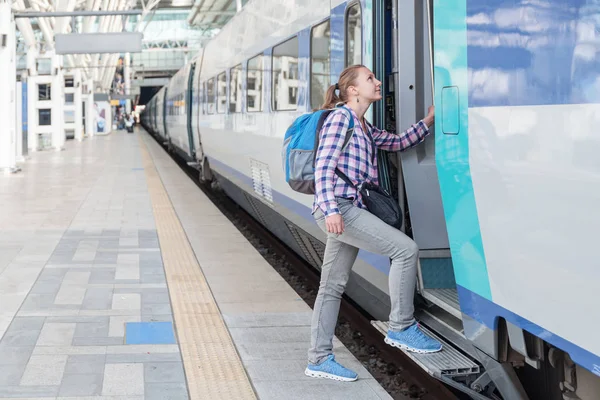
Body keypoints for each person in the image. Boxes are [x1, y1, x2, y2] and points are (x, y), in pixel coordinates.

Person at [305, 65, 442, 382]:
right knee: (406, 250)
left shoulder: (362, 125)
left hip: (343, 209)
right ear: (353, 90)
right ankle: (401, 327)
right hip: (340, 209)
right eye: (370, 79)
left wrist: (428, 122)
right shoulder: (341, 119)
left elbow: (395, 142)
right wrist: (330, 210)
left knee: (331, 286)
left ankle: (318, 359)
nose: (377, 82)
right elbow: (322, 167)